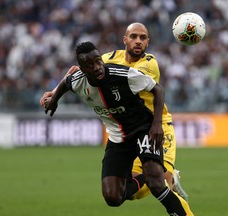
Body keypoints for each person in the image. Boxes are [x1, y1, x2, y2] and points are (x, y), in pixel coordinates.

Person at [41, 41, 210, 216]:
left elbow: (157, 90)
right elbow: (67, 82)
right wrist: (54, 99)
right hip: (118, 138)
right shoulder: (78, 81)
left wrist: (156, 124)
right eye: (90, 65)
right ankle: (167, 175)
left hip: (143, 129)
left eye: (98, 61)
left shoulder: (123, 75)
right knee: (113, 197)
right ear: (82, 69)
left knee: (156, 184)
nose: (96, 67)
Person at [41, 22, 189, 202]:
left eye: (142, 38)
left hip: (157, 126)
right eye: (133, 36)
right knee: (131, 192)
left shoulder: (149, 64)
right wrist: (54, 93)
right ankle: (168, 178)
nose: (137, 41)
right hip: (132, 129)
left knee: (157, 181)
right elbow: (77, 71)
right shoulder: (109, 57)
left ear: (148, 42)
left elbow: (125, 77)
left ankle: (170, 177)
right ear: (125, 39)